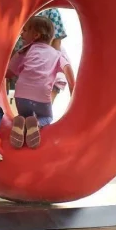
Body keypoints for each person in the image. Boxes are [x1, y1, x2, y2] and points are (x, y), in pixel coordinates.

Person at [7, 16, 76, 149]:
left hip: (21, 96)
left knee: (25, 115)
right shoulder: (57, 54)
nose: (21, 33)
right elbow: (67, 70)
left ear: (36, 35)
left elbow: (9, 73)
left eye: (25, 30)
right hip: (41, 98)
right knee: (47, 117)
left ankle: (22, 120)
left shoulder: (24, 51)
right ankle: (37, 124)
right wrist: (73, 89)